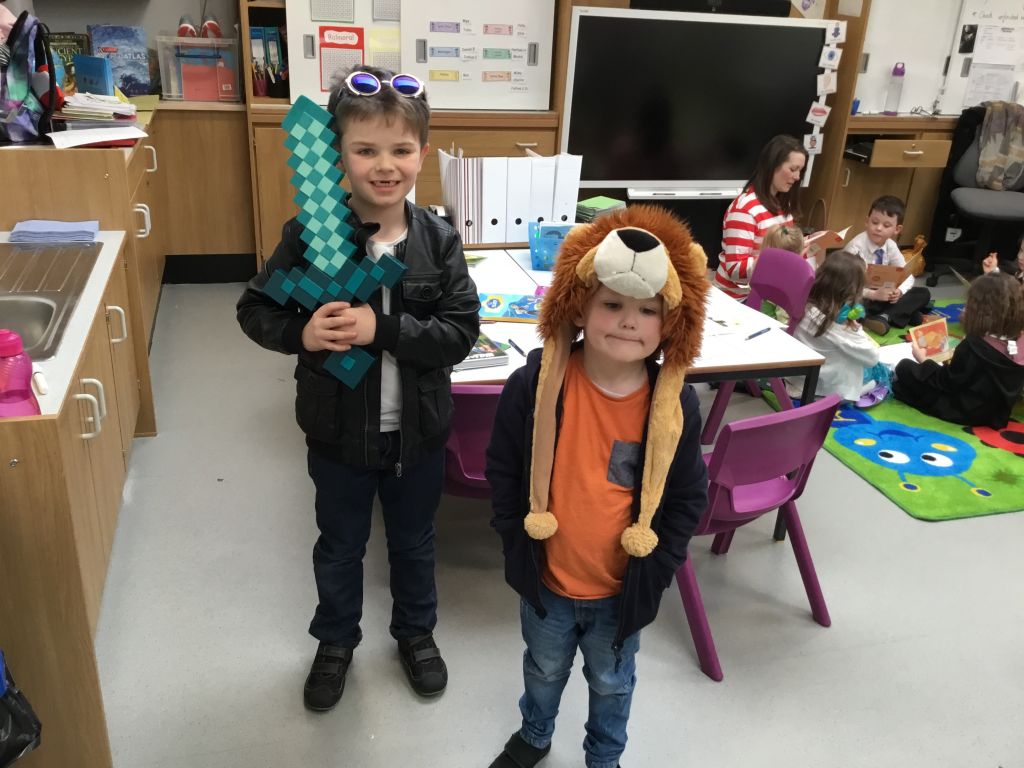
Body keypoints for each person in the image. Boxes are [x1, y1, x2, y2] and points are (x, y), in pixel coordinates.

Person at [236, 65, 480, 711]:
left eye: (401, 149)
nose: (385, 166)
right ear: (338, 154)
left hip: (417, 435)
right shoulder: (309, 236)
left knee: (414, 543)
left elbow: (459, 332)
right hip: (337, 434)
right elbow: (254, 309)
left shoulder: (438, 241)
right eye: (366, 150)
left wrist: (384, 328)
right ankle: (336, 641)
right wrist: (302, 333)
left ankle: (416, 634)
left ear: (422, 153)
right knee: (340, 546)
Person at [485, 206, 709, 768]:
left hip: (620, 593)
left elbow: (686, 497)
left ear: (670, 324)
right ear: (580, 304)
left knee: (612, 682)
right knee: (543, 668)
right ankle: (535, 735)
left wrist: (658, 569)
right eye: (612, 304)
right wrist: (513, 538)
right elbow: (503, 468)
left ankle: (604, 757)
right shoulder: (534, 385)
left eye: (647, 310)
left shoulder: (673, 407)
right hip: (547, 584)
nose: (628, 321)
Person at [893, 271, 1024, 428]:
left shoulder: (975, 346)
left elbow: (947, 382)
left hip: (964, 410)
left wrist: (924, 360)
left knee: (905, 367)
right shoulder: (1019, 339)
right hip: (997, 413)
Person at [713, 134, 808, 299]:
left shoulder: (783, 204)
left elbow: (785, 248)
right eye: (793, 169)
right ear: (772, 166)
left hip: (766, 291)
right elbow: (735, 269)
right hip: (738, 298)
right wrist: (778, 259)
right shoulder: (745, 209)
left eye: (800, 170)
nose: (797, 177)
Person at [789, 251, 884, 402]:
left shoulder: (805, 304)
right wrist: (856, 329)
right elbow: (872, 357)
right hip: (821, 390)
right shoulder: (838, 329)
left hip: (793, 378)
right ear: (851, 291)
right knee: (879, 374)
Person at [842, 195, 931, 334]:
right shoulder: (855, 248)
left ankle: (885, 316)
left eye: (886, 225)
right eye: (874, 222)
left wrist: (899, 292)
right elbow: (844, 286)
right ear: (867, 221)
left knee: (923, 293)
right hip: (862, 296)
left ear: (897, 229)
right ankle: (899, 314)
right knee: (852, 306)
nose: (878, 228)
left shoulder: (891, 246)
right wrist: (873, 294)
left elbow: (907, 275)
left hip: (883, 295)